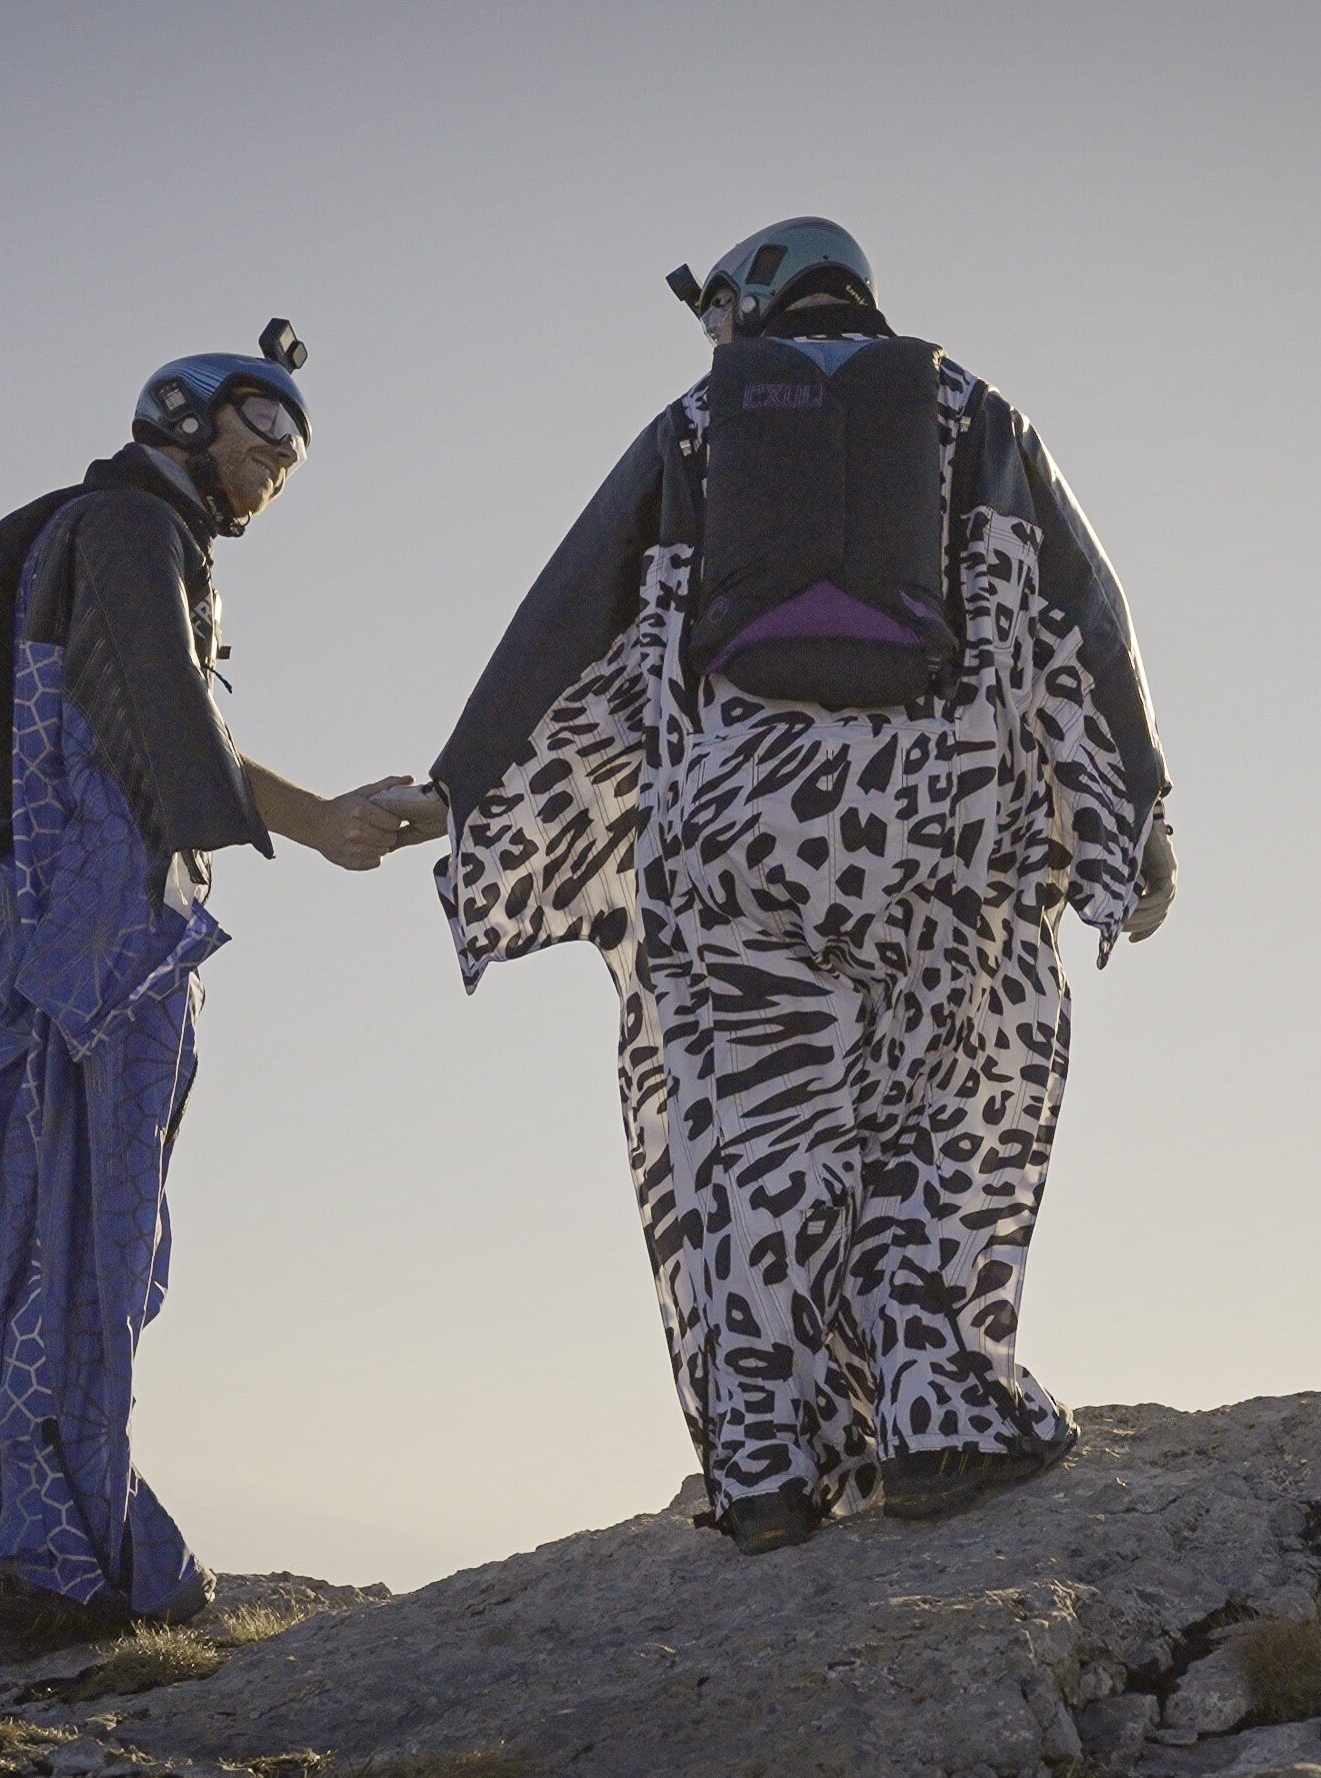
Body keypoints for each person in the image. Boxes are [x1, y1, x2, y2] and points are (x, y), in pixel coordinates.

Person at [426, 219, 1175, 1556]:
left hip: (732, 838)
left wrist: (463, 789)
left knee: (755, 1148)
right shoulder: (973, 411)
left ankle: (769, 1466)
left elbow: (572, 614)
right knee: (934, 1125)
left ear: (759, 298)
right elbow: (1083, 616)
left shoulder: (697, 427)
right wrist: (1139, 818)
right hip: (933, 830)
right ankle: (939, 1421)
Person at [0, 330, 419, 1656]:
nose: (281, 460)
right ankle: (68, 1561)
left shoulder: (59, 538)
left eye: (297, 448)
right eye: (264, 424)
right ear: (184, 418)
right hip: (97, 940)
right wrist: (322, 823)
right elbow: (169, 718)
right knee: (90, 1237)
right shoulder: (137, 532)